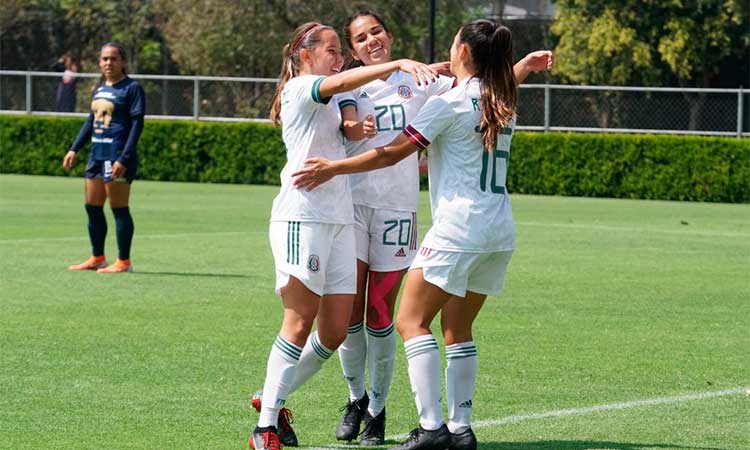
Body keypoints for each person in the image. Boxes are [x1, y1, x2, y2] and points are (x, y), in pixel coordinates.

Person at [319, 10, 553, 446]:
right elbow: (498, 87)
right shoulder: (503, 99)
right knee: (457, 331)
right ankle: (461, 430)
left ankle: (430, 428)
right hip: (499, 231)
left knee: (409, 321)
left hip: (458, 229)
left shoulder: (447, 103)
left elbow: (393, 153)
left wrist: (335, 166)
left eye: (452, 43)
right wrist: (521, 67)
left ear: (462, 51)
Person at [248, 21, 438, 450]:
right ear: (306, 56)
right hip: (303, 218)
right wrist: (398, 62)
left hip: (338, 219)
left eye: (339, 49)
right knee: (298, 323)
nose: (339, 56)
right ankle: (265, 427)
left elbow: (350, 113)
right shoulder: (301, 89)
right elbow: (344, 81)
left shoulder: (334, 98)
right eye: (332, 49)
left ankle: (273, 401)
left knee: (333, 332)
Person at [63, 43, 145, 274]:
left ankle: (124, 262)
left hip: (117, 156)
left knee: (119, 208)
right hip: (96, 155)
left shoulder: (132, 88)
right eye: (104, 59)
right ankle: (97, 257)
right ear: (99, 62)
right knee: (92, 207)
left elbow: (137, 125)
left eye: (114, 59)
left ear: (123, 62)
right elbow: (91, 121)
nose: (108, 63)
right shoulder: (99, 88)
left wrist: (124, 158)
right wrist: (74, 149)